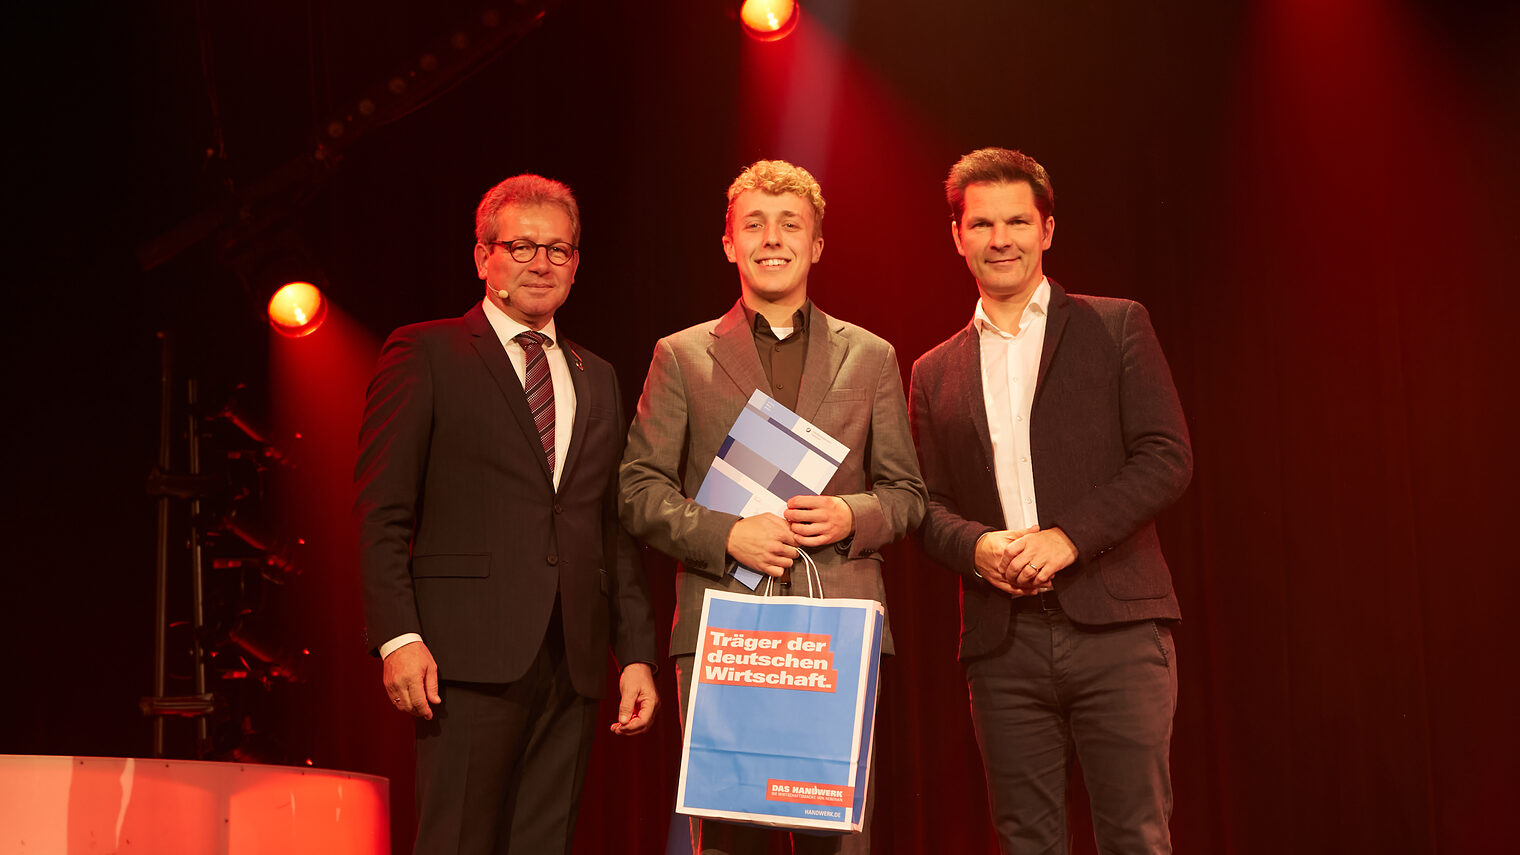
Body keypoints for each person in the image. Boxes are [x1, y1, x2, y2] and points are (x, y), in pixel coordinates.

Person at [619, 159, 925, 854]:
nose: (772, 238)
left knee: (838, 841)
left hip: (837, 635)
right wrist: (727, 534)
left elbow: (908, 494)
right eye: (753, 224)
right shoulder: (683, 355)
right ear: (728, 242)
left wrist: (852, 515)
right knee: (731, 843)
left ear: (817, 244)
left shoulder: (871, 356)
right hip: (727, 629)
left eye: (791, 224)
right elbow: (637, 490)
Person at [355, 174, 659, 855]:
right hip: (461, 657)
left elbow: (611, 529)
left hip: (571, 658)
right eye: (521, 246)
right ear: (482, 257)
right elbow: (381, 510)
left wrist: (634, 654)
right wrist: (397, 635)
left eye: (559, 249)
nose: (541, 262)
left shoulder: (597, 374)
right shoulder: (424, 351)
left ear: (577, 265)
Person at [909, 148, 1193, 854]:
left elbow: (1167, 456)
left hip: (1118, 628)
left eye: (1016, 221)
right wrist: (975, 546)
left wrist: (1067, 536)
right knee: (1026, 841)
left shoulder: (1117, 324)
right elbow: (925, 504)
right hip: (1004, 646)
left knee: (1136, 837)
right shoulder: (933, 370)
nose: (999, 238)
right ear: (957, 236)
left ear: (1047, 229)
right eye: (981, 223)